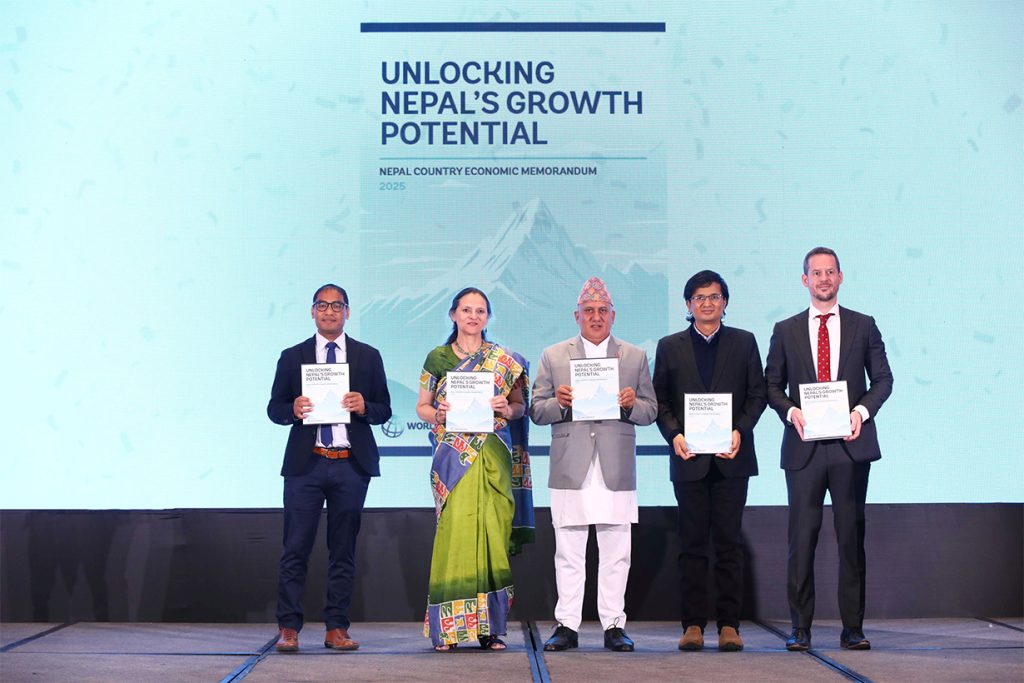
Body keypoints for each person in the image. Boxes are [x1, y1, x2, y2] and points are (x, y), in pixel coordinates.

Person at [765, 247, 893, 652]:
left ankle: (852, 627)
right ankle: (800, 627)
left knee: (850, 539)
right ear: (805, 280)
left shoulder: (863, 325)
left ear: (840, 277)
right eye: (816, 273)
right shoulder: (785, 330)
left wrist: (860, 412)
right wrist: (791, 413)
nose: (823, 279)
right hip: (803, 447)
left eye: (830, 272)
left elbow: (883, 380)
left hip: (849, 446)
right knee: (801, 540)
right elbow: (772, 386)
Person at [530, 276, 657, 653]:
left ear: (613, 316)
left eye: (602, 311)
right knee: (568, 550)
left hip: (615, 464)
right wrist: (560, 403)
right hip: (571, 463)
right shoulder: (554, 355)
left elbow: (651, 410)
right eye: (589, 311)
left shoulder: (634, 356)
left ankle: (614, 625)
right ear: (577, 316)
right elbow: (537, 410)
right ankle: (566, 625)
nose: (596, 317)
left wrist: (631, 404)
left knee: (616, 550)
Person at [267, 284, 392, 652]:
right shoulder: (292, 356)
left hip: (350, 464)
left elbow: (385, 409)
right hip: (306, 465)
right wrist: (293, 409)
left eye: (337, 306)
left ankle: (336, 627)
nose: (329, 311)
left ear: (347, 312)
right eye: (322, 305)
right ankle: (288, 628)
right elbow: (274, 409)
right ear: (312, 311)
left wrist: (364, 406)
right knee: (295, 548)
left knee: (343, 551)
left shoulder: (368, 356)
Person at [652, 270, 767, 652]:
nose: (707, 303)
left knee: (729, 544)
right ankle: (693, 625)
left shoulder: (744, 342)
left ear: (725, 302)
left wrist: (740, 431)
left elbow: (757, 395)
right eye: (699, 297)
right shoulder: (670, 346)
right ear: (688, 304)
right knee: (692, 545)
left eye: (714, 297)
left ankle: (730, 625)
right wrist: (674, 435)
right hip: (689, 459)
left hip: (732, 458)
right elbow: (660, 400)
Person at [416, 287, 533, 652]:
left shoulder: (504, 360)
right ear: (453, 314)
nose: (473, 316)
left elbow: (520, 407)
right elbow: (422, 407)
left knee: (493, 537)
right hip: (453, 461)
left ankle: (491, 629)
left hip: (493, 457)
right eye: (466, 310)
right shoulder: (437, 358)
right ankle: (449, 631)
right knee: (455, 537)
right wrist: (439, 414)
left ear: (487, 317)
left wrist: (505, 408)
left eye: (480, 311)